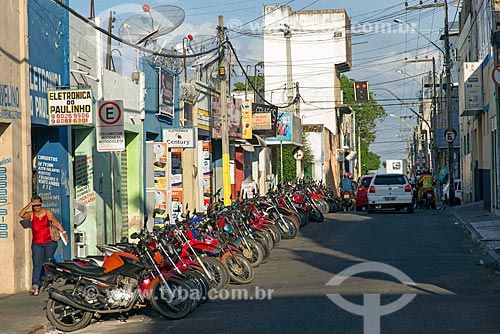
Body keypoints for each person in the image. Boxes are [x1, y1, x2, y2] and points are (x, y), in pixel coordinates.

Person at [18, 195, 68, 296]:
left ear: (41, 204)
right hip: (37, 243)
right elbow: (21, 214)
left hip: (50, 242)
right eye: (35, 205)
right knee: (37, 264)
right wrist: (29, 204)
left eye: (38, 205)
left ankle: (48, 280)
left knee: (46, 263)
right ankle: (35, 286)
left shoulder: (47, 212)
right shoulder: (31, 214)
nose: (37, 207)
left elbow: (56, 223)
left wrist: (64, 233)